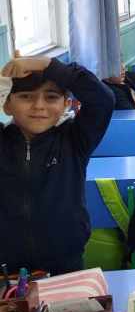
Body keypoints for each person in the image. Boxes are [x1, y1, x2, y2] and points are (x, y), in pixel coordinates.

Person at [0, 56, 114, 275]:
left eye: (51, 97)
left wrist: (44, 64)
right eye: (25, 96)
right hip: (6, 271)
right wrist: (3, 80)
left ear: (66, 104)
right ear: (7, 104)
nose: (39, 106)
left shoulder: (74, 140)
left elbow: (103, 100)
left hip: (65, 266)